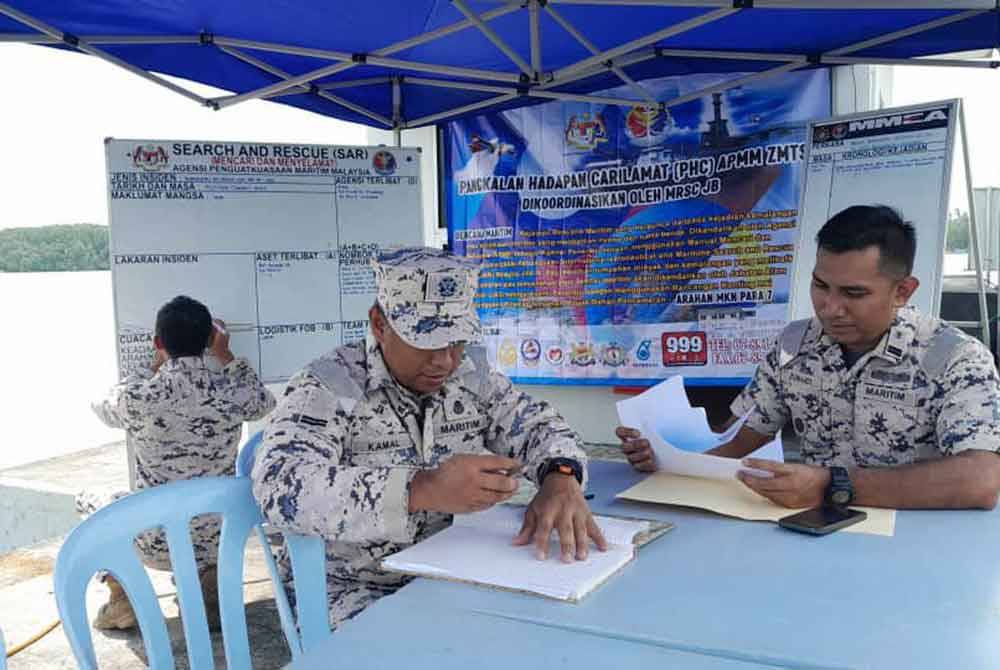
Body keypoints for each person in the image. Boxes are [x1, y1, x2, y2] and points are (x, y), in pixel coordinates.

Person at [252, 247, 606, 629]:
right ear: (379, 324)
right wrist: (420, 489)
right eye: (426, 340)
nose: (444, 360)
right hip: (349, 585)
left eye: (455, 341)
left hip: (451, 570)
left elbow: (540, 425)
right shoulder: (328, 385)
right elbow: (280, 485)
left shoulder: (470, 375)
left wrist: (562, 476)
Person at [617, 205, 1000, 510]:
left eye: (853, 294)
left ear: (902, 291)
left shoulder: (954, 360)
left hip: (912, 543)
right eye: (820, 286)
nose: (830, 308)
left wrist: (833, 485)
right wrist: (670, 460)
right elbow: (741, 439)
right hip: (808, 533)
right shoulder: (794, 346)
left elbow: (981, 480)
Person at [83, 295, 275, 629]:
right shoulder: (231, 393)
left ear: (158, 342)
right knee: (205, 516)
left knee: (88, 502)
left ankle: (122, 598)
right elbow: (263, 400)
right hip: (217, 537)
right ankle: (208, 593)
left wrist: (149, 366)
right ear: (209, 340)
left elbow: (99, 404)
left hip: (156, 541)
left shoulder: (140, 397)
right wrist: (226, 354)